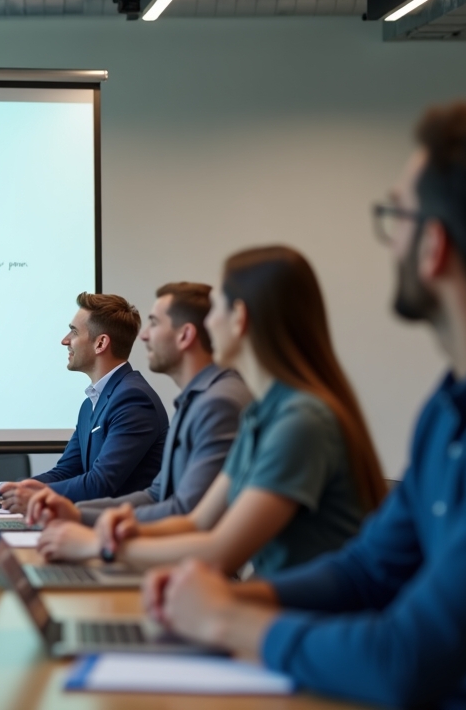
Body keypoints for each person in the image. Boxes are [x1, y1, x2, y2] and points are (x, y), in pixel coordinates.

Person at [147, 103, 466, 708]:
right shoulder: (449, 409)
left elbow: (407, 656)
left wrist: (228, 622)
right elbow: (366, 571)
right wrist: (229, 599)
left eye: (395, 214)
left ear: (434, 247)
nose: (388, 239)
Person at [36, 247, 385, 577]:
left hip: (299, 616)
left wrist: (100, 544)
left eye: (216, 307)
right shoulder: (261, 411)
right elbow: (196, 519)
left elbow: (219, 547)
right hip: (276, 601)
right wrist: (89, 519)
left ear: (240, 319)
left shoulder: (293, 417)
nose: (208, 322)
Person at [27, 283, 251, 527]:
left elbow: (187, 513)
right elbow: (157, 495)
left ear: (185, 335)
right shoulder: (195, 399)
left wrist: (89, 529)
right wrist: (73, 513)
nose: (143, 335)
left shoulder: (212, 402)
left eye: (154, 323)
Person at [0, 292, 169, 508]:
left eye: (74, 332)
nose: (65, 340)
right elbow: (66, 472)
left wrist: (3, 497)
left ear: (101, 343)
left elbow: (100, 483)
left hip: (125, 532)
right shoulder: (91, 404)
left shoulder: (132, 399)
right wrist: (0, 489)